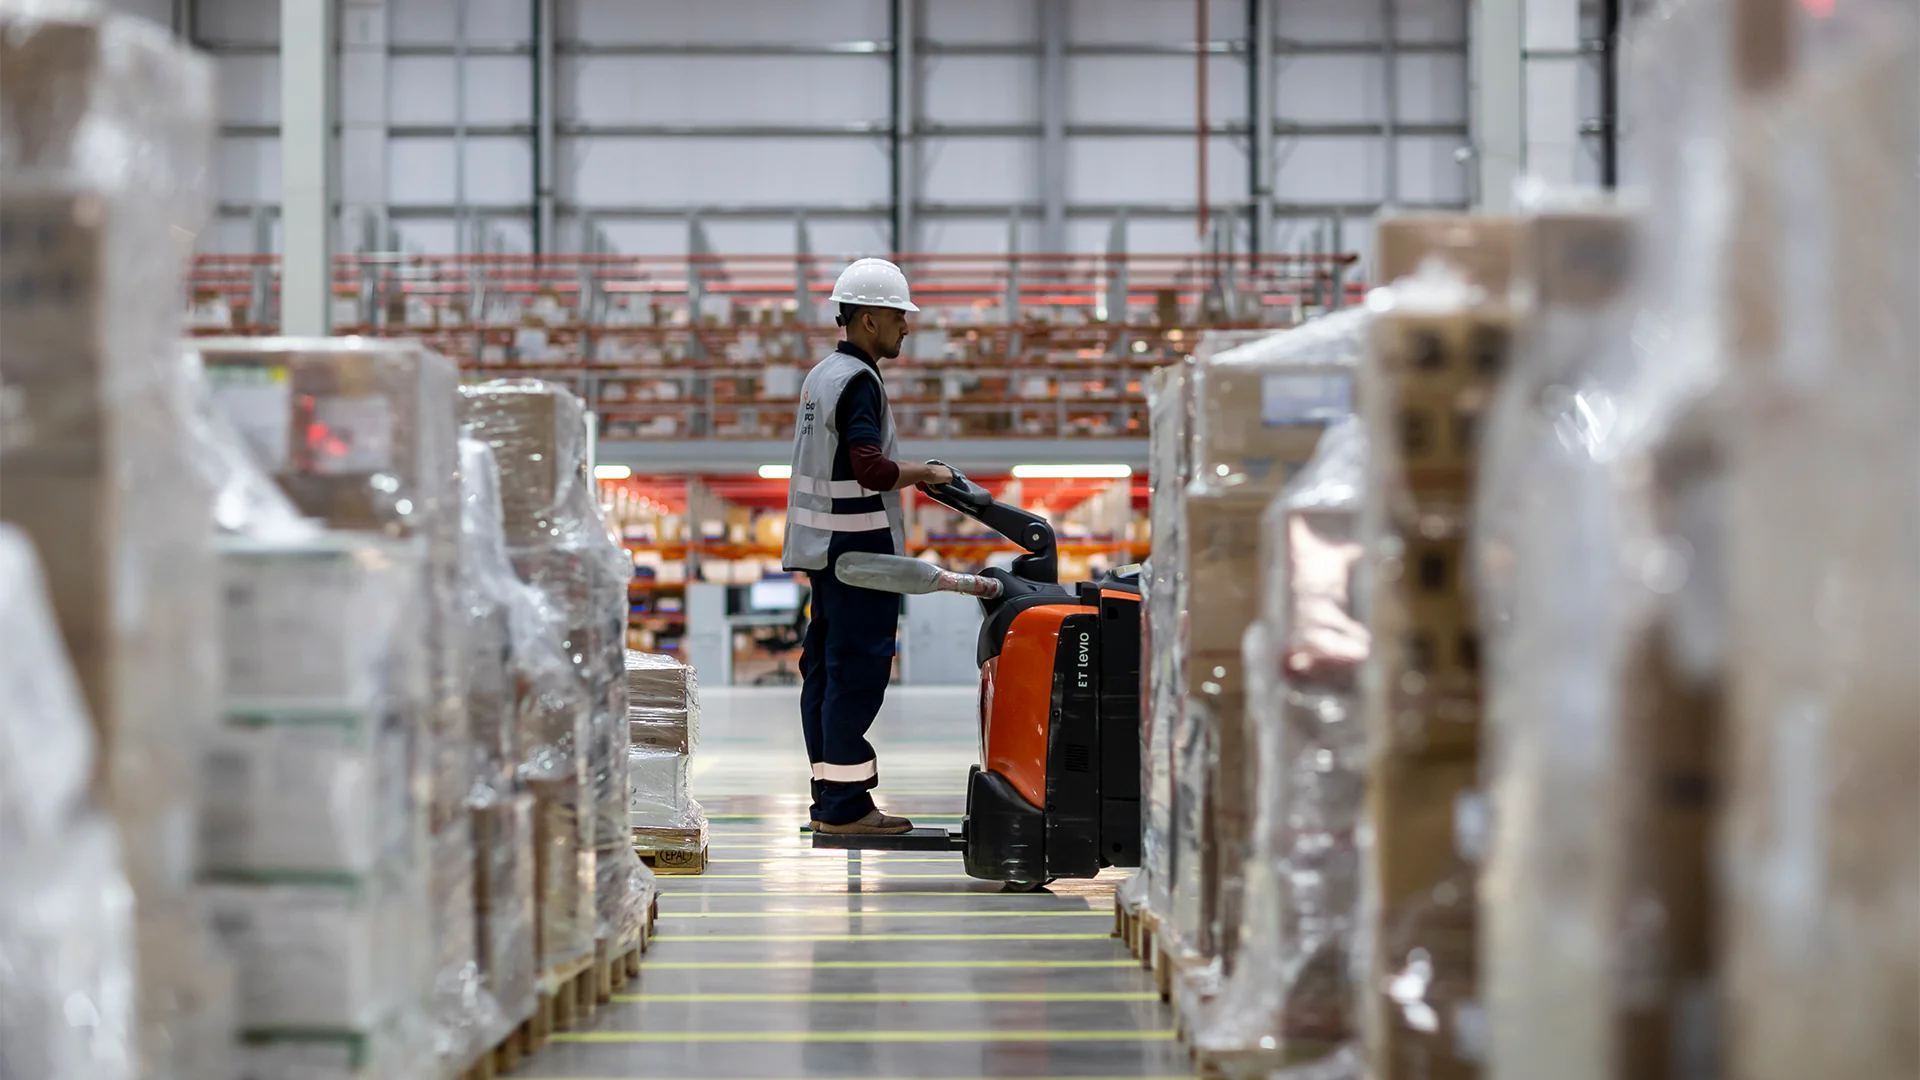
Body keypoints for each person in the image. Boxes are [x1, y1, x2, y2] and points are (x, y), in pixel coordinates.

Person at [781, 258, 955, 836]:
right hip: (860, 557)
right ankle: (847, 809)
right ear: (871, 319)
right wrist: (926, 473)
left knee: (825, 674)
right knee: (856, 674)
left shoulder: (820, 375)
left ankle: (829, 798)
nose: (906, 327)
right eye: (899, 317)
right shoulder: (859, 382)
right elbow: (872, 470)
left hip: (825, 554)